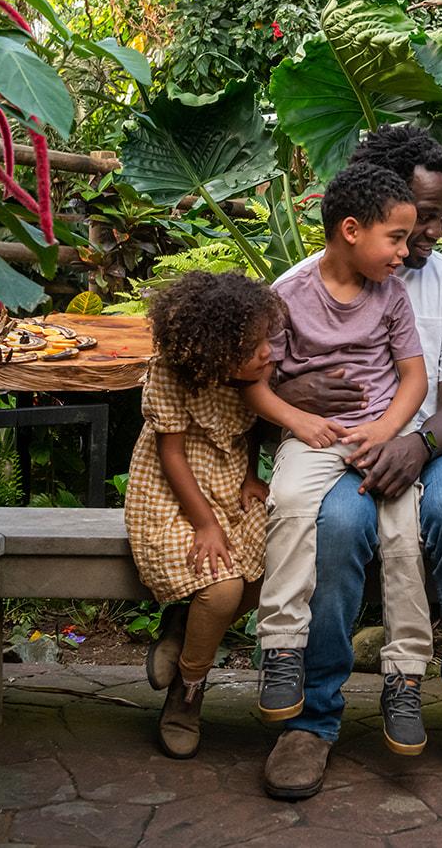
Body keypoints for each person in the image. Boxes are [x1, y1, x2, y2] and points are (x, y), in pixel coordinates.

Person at [263, 124, 442, 802]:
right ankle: (309, 722)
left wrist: (416, 445)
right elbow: (257, 377)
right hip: (347, 447)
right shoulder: (300, 286)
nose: (432, 231)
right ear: (375, 209)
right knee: (339, 526)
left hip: (434, 447)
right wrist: (295, 393)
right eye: (420, 215)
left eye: (437, 216)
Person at [240, 162, 435, 757]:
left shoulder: (392, 297)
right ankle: (281, 649)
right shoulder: (287, 297)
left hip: (377, 435)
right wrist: (299, 422)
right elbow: (255, 383)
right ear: (351, 230)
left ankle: (404, 674)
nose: (405, 252)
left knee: (403, 533)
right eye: (396, 237)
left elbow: (414, 379)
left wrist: (385, 431)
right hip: (313, 435)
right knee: (293, 502)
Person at [125, 271, 278, 760]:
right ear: (214, 350)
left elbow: (251, 427)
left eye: (267, 341)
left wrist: (253, 475)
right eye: (253, 347)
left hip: (229, 477)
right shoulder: (173, 372)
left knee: (273, 568)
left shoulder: (257, 371)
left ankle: (180, 629)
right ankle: (188, 694)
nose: (267, 353)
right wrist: (206, 524)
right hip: (173, 491)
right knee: (222, 584)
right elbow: (171, 455)